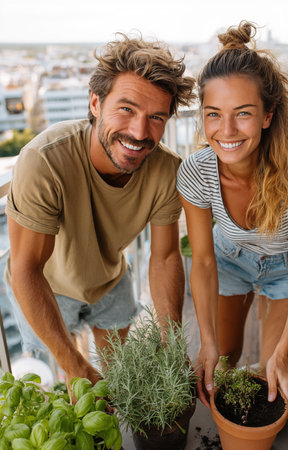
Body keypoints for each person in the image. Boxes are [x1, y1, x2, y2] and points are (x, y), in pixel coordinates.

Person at [5, 32, 195, 386]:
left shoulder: (168, 170)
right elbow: (26, 269)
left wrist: (171, 343)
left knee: (115, 371)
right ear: (95, 103)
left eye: (156, 117)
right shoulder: (43, 161)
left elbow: (166, 256)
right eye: (126, 109)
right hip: (48, 286)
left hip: (109, 278)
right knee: (66, 382)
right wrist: (74, 363)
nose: (140, 132)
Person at [176, 21, 288, 411]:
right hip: (229, 259)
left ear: (267, 115)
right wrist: (207, 341)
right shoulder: (196, 172)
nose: (226, 130)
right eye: (213, 114)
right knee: (223, 358)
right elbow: (203, 260)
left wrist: (286, 351)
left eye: (242, 113)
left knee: (273, 373)